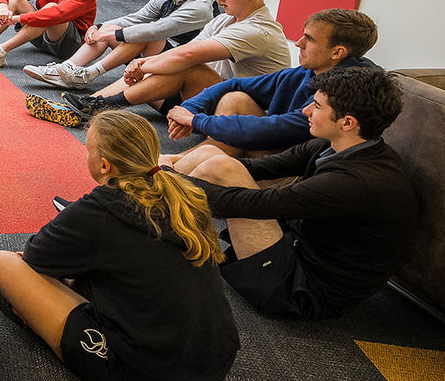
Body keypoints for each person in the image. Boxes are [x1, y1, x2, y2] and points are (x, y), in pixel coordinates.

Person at [0, 110, 238, 381]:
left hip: (149, 378)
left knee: (2, 263)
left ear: (104, 165)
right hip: (215, 362)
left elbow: (33, 256)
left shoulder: (101, 209)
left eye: (89, 151)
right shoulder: (182, 193)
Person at [178, 67, 417, 319]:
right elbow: (259, 167)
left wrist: (169, 177)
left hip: (304, 290)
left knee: (221, 166)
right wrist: (168, 163)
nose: (306, 111)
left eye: (316, 105)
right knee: (211, 156)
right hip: (294, 246)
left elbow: (252, 204)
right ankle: (148, 204)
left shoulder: (357, 182)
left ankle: (149, 206)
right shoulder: (335, 145)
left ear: (347, 122)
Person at [27, 0, 291, 128]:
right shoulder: (225, 21)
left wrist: (143, 63)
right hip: (208, 97)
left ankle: (93, 105)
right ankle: (89, 105)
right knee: (166, 63)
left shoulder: (257, 30)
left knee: (186, 65)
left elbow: (190, 54)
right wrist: (146, 63)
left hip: (242, 111)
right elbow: (177, 40)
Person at [163, 9, 379, 159]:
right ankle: (172, 164)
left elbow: (271, 129)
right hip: (272, 146)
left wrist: (196, 120)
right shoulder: (308, 71)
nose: (298, 43)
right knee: (235, 98)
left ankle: (171, 166)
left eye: (309, 39)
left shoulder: (347, 92)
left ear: (337, 52)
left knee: (230, 145)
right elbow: (236, 85)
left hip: (290, 170)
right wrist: (188, 108)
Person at [23, 0, 216, 89]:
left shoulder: (201, 7)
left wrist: (111, 34)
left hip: (187, 63)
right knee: (113, 27)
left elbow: (158, 30)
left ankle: (89, 74)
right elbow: (136, 17)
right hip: (161, 54)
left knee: (143, 35)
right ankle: (68, 69)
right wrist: (99, 27)